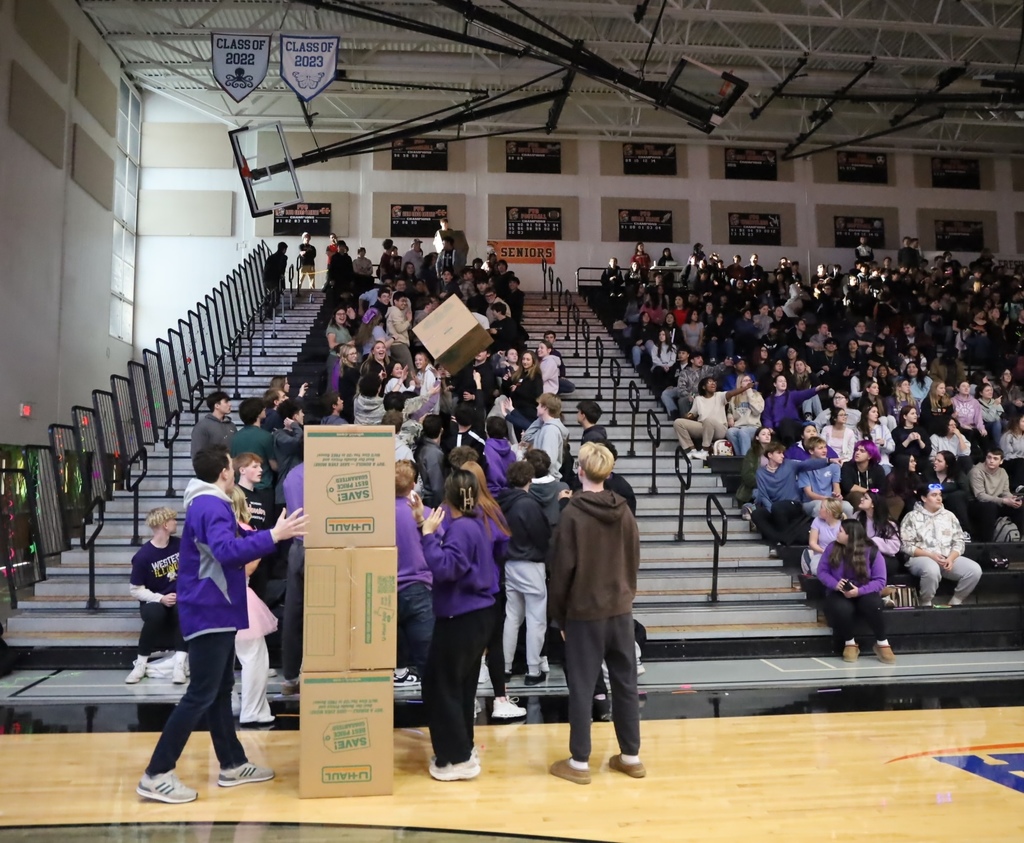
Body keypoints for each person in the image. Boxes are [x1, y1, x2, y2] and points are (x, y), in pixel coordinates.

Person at [136, 446, 307, 804]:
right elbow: (227, 551)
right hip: (209, 608)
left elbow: (229, 545)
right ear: (225, 473)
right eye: (232, 466)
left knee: (217, 690)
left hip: (213, 607)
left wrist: (271, 533)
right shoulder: (211, 505)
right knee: (201, 692)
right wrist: (275, 536)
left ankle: (232, 763)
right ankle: (156, 773)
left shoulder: (206, 503)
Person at [547, 442, 644, 785]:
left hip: (584, 612)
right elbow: (634, 558)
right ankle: (631, 757)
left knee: (583, 686)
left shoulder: (572, 514)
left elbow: (561, 573)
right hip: (620, 610)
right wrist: (626, 596)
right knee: (626, 683)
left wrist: (559, 617)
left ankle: (579, 762)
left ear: (580, 470)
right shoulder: (625, 511)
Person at [419, 469, 502, 781]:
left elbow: (447, 568)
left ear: (448, 496)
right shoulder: (475, 521)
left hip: (462, 616)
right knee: (460, 685)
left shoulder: (463, 529)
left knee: (441, 686)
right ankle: (463, 749)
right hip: (477, 614)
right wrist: (422, 524)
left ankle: (456, 758)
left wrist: (426, 535)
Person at [497, 460, 551, 685]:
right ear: (530, 479)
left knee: (512, 617)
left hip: (510, 563)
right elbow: (542, 535)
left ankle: (506, 667)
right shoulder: (529, 504)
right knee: (536, 619)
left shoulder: (502, 502)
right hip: (531, 563)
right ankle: (533, 670)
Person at [228, 488, 277, 727]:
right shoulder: (244, 532)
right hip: (241, 598)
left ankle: (237, 704)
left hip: (222, 599)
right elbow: (246, 570)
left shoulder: (219, 531)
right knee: (254, 658)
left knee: (231, 658)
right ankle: (252, 709)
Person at [816, 520, 895, 664]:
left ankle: (882, 642)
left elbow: (880, 580)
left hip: (863, 590)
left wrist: (859, 591)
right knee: (842, 608)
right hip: (839, 592)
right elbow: (822, 571)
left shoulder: (872, 551)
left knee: (873, 604)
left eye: (840, 531)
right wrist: (835, 584)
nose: (837, 533)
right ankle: (850, 643)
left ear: (850, 535)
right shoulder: (832, 548)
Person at [125, 507, 188, 685]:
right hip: (154, 600)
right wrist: (160, 598)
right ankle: (141, 663)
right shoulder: (143, 556)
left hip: (178, 597)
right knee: (155, 614)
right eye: (173, 520)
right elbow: (135, 589)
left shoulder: (179, 544)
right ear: (164, 525)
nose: (176, 522)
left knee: (184, 609)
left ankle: (180, 664)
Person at [900, 484, 983, 607]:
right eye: (934, 495)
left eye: (940, 495)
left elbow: (959, 541)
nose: (939, 498)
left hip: (946, 557)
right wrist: (930, 555)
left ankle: (956, 601)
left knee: (974, 570)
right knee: (931, 569)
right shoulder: (911, 517)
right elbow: (906, 545)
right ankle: (926, 602)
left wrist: (951, 558)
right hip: (921, 558)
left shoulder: (949, 516)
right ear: (924, 498)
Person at [394, 460, 434, 686]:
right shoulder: (425, 513)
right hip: (419, 588)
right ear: (413, 485)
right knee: (428, 660)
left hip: (384, 589)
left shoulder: (376, 516)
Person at [751, 442, 828, 553]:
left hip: (793, 505)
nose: (783, 456)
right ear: (770, 455)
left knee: (778, 507)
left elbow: (808, 464)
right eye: (779, 453)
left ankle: (780, 541)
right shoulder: (760, 473)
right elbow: (763, 496)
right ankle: (780, 540)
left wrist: (828, 461)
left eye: (783, 453)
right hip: (775, 508)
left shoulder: (789, 464)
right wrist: (771, 510)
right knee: (757, 514)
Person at [673, 376, 752, 460]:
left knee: (708, 420)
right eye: (710, 382)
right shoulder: (698, 399)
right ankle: (691, 451)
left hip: (720, 429)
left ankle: (705, 451)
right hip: (704, 426)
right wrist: (687, 416)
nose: (713, 383)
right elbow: (692, 414)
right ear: (703, 387)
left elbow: (731, 393)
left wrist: (745, 388)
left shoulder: (720, 395)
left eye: (714, 382)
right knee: (678, 422)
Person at [968, 447, 1024, 542]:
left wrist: (1012, 499)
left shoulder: (1003, 472)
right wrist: (1004, 501)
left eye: (995, 458)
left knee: (1019, 507)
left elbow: (1005, 491)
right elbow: (980, 496)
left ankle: (1020, 540)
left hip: (996, 502)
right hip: (976, 504)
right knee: (990, 507)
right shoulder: (976, 471)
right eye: (989, 457)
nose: (991, 461)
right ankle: (987, 543)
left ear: (1001, 461)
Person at [849, 490, 902, 577]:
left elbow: (895, 546)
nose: (861, 499)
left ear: (873, 504)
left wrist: (873, 541)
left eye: (865, 498)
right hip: (860, 554)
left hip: (884, 557)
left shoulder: (889, 523)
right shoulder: (856, 517)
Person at [803, 498, 844, 575]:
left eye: (821, 507)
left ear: (829, 512)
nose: (819, 509)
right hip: (821, 554)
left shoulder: (842, 524)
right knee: (817, 569)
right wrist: (824, 552)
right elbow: (812, 543)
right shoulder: (817, 521)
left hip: (839, 555)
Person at [190, 392, 237, 460]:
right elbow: (197, 453)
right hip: (213, 468)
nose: (230, 404)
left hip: (230, 468)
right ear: (217, 405)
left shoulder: (231, 425)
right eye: (226, 402)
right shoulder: (202, 426)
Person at [725, 374, 763, 456]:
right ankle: (741, 458)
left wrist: (749, 393)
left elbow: (757, 411)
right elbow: (729, 411)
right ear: (740, 383)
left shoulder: (757, 395)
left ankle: (746, 459)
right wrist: (730, 418)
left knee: (743, 432)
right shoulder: (734, 397)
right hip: (738, 426)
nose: (748, 382)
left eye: (749, 380)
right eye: (745, 381)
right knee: (729, 432)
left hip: (753, 426)